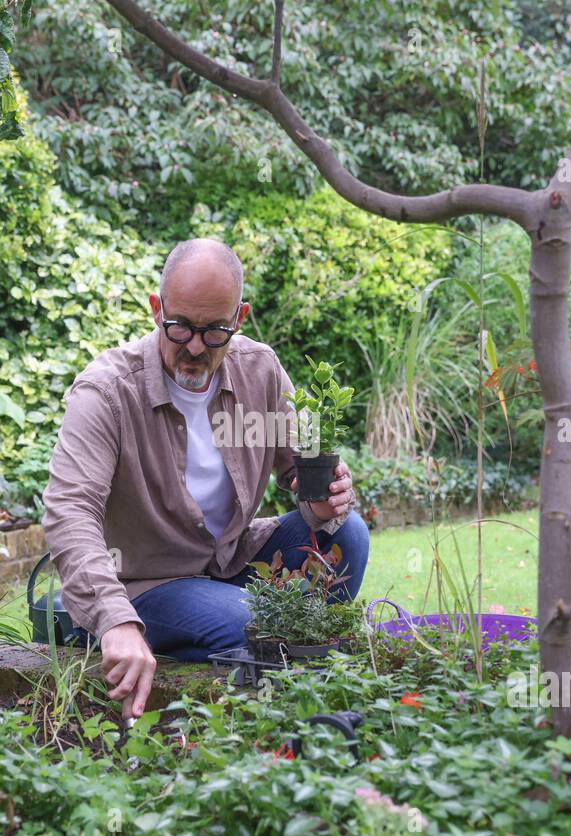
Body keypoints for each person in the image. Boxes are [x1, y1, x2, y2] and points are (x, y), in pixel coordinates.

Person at [42, 238, 369, 719]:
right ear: (156, 309)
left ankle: (260, 658)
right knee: (254, 620)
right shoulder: (107, 391)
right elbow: (70, 511)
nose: (194, 347)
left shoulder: (262, 370)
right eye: (179, 328)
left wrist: (327, 498)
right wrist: (114, 620)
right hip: (144, 582)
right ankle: (253, 658)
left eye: (214, 331)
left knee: (348, 536)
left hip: (230, 560)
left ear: (239, 318)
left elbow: (302, 468)